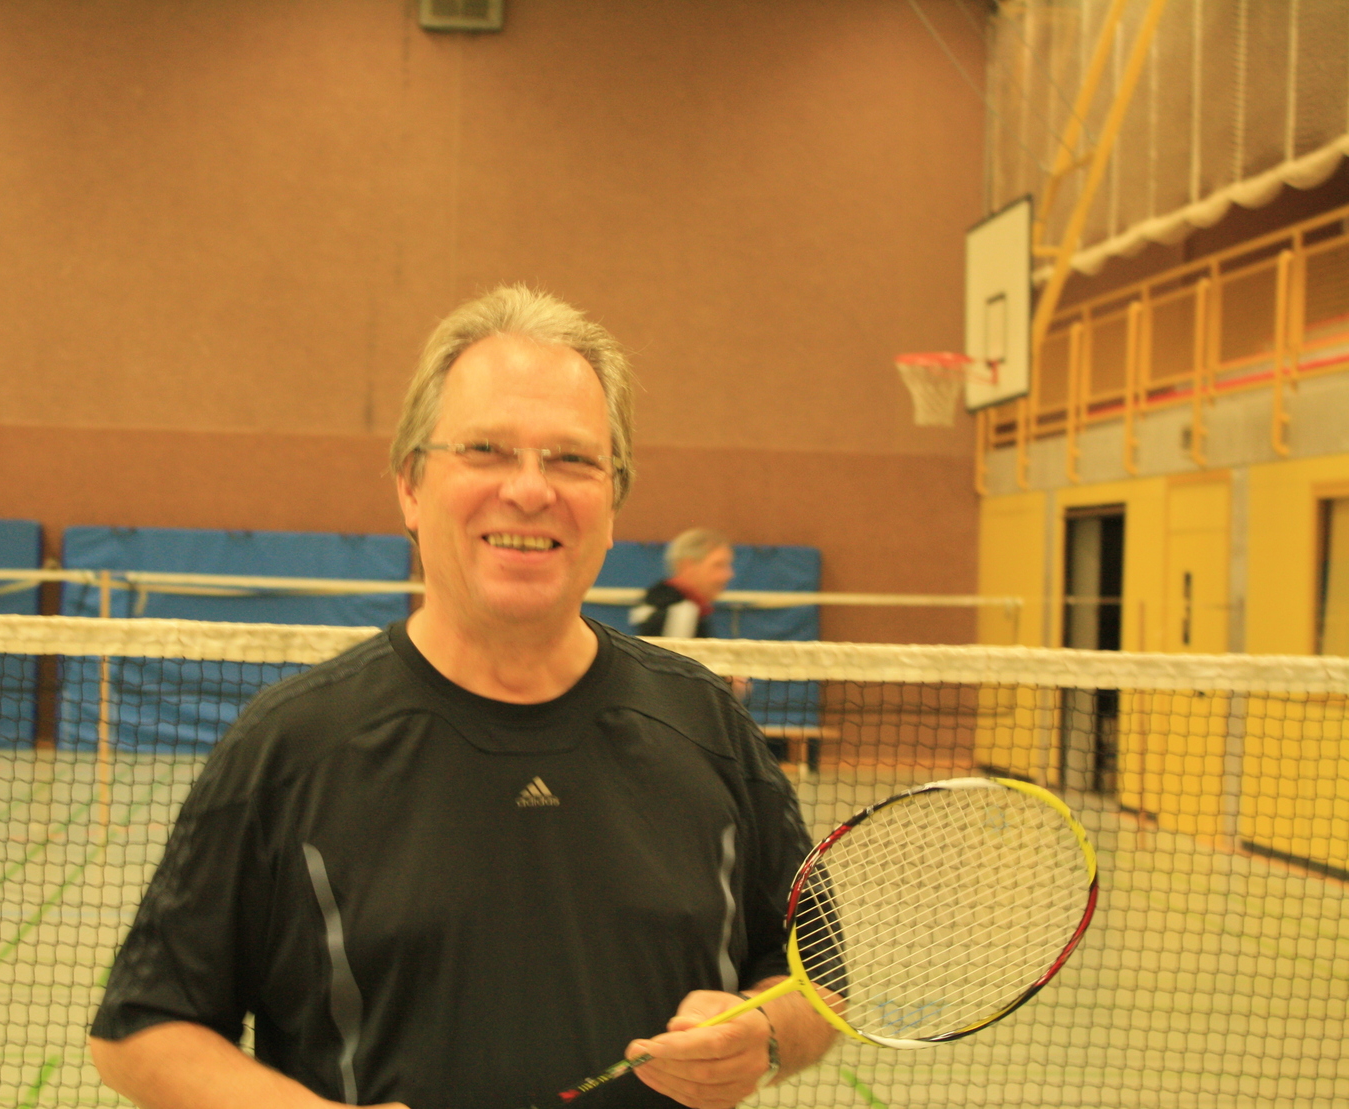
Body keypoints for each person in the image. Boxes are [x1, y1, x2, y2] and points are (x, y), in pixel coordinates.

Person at [88, 286, 839, 1109]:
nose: (529, 490)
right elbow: (143, 1025)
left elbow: (820, 978)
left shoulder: (711, 729)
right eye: (486, 450)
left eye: (572, 459)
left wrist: (764, 1035)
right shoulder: (290, 747)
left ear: (614, 499)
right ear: (410, 485)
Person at [630, 529, 735, 639]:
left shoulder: (658, 602)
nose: (729, 574)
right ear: (687, 566)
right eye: (718, 565)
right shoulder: (679, 613)